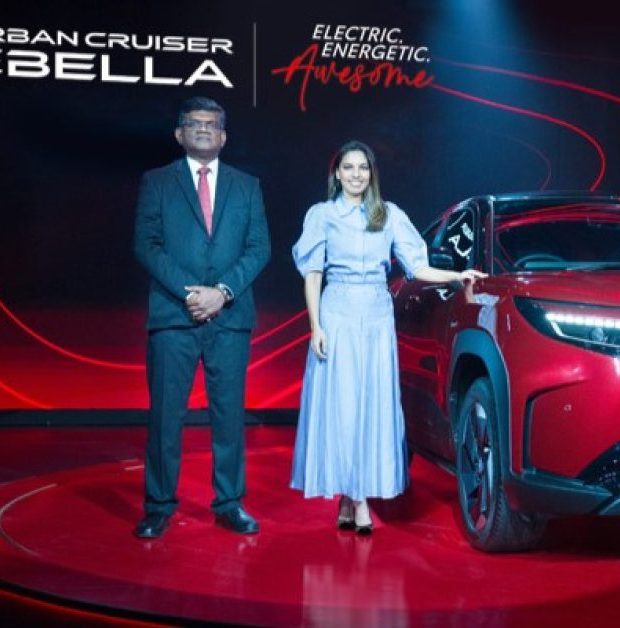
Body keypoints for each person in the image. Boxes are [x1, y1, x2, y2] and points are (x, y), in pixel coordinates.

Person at [290, 140, 485, 534]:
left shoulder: (390, 215)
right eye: (349, 167)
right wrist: (316, 327)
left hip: (377, 315)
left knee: (371, 406)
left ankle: (351, 497)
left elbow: (418, 267)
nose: (356, 175)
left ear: (372, 173)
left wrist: (458, 275)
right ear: (337, 173)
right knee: (343, 408)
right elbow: (313, 274)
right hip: (337, 314)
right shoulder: (322, 215)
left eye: (363, 168)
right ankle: (359, 499)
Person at [133, 96, 271, 538]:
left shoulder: (247, 186)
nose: (204, 129)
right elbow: (146, 245)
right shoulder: (157, 182)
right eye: (195, 123)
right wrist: (191, 293)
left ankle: (229, 502)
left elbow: (259, 248)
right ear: (180, 133)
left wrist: (222, 293)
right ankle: (158, 505)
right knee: (165, 417)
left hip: (230, 318)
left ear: (223, 136)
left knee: (229, 416)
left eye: (212, 124)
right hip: (174, 316)